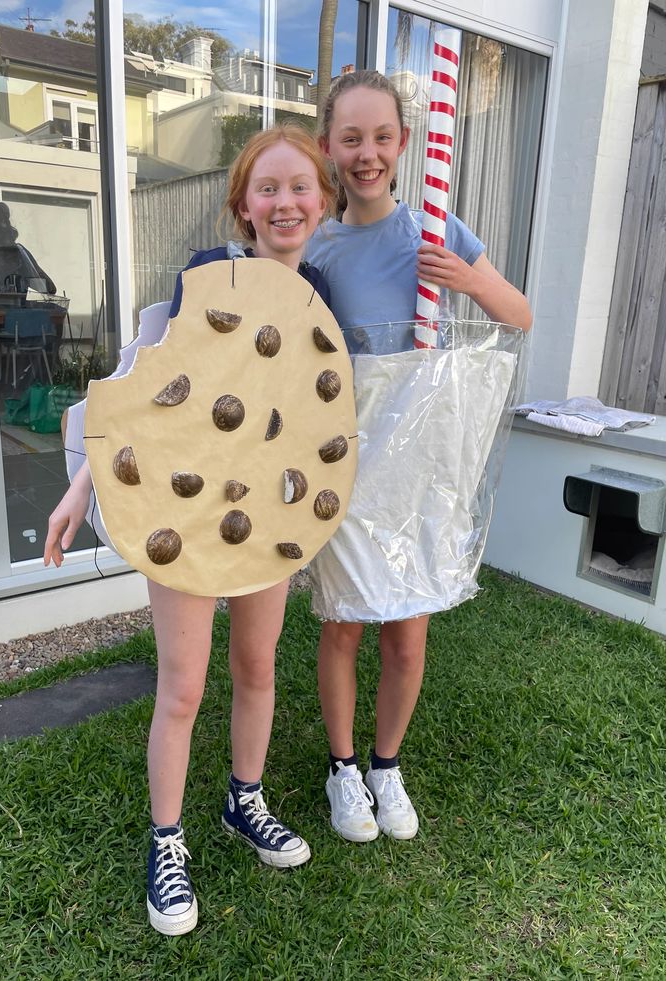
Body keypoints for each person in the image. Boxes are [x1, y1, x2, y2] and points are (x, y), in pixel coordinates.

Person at [44, 124, 335, 936]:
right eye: (267, 188)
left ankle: (246, 802)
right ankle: (166, 841)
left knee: (256, 665)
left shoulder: (318, 298)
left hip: (266, 513)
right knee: (182, 687)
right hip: (183, 508)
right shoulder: (206, 275)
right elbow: (136, 392)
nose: (285, 201)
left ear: (324, 200)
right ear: (241, 205)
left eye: (300, 187)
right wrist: (82, 490)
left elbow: (321, 422)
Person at [305, 69, 532, 844]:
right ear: (330, 147)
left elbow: (520, 313)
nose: (366, 153)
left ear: (405, 143)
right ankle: (341, 769)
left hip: (423, 469)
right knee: (343, 625)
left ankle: (384, 765)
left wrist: (466, 278)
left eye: (380, 136)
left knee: (408, 631)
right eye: (350, 138)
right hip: (351, 466)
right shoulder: (321, 249)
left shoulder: (436, 228)